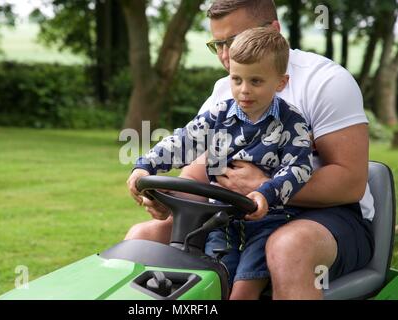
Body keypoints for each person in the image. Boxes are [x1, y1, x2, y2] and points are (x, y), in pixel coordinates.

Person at [125, 0, 374, 300]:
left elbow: (351, 183)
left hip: (327, 215)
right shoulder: (224, 96)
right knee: (143, 239)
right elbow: (198, 165)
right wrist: (168, 199)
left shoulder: (325, 83)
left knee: (287, 246)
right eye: (217, 44)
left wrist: (263, 188)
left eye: (235, 40)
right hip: (235, 216)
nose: (226, 55)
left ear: (274, 31)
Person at [128, 27, 313, 299]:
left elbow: (297, 170)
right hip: (220, 220)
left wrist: (265, 193)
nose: (244, 90)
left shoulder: (291, 122)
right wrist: (145, 166)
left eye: (256, 81)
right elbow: (183, 141)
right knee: (212, 284)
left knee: (242, 291)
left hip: (268, 222)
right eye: (236, 80)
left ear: (280, 83)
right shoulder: (219, 115)